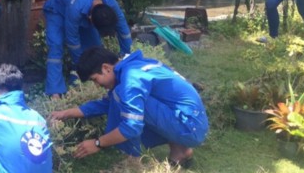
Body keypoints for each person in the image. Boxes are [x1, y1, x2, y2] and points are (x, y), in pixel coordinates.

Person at [50, 47, 208, 166]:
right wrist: (67, 113)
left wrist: (98, 143)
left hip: (189, 126)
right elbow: (106, 104)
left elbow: (132, 126)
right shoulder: (135, 66)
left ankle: (133, 160)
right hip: (191, 121)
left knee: (123, 100)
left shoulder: (130, 79)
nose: (97, 86)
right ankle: (181, 151)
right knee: (120, 98)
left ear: (106, 68)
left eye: (95, 79)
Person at [43, 0, 131, 96]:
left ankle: (78, 79)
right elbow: (72, 41)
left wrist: (127, 57)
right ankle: (55, 92)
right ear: (90, 19)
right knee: (56, 46)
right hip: (56, 10)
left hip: (82, 8)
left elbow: (124, 30)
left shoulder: (110, 3)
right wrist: (83, 67)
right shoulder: (75, 9)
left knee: (95, 47)